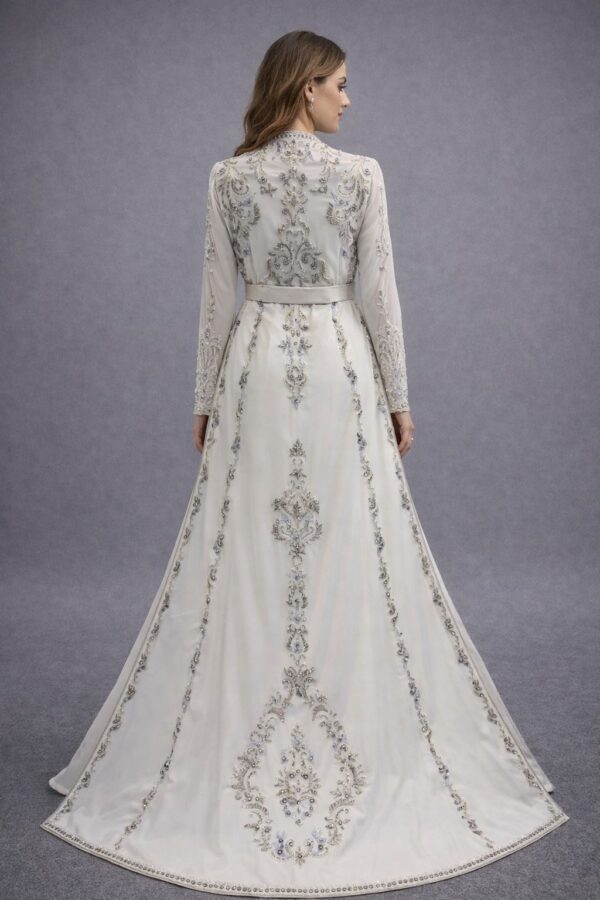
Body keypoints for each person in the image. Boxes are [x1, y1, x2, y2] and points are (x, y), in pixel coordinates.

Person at [41, 29, 569, 897]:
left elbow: (217, 297)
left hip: (253, 368)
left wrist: (204, 398)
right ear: (305, 88)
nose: (349, 101)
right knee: (352, 549)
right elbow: (380, 292)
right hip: (338, 364)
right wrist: (399, 397)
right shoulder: (360, 176)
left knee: (245, 554)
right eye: (341, 84)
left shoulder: (228, 177)